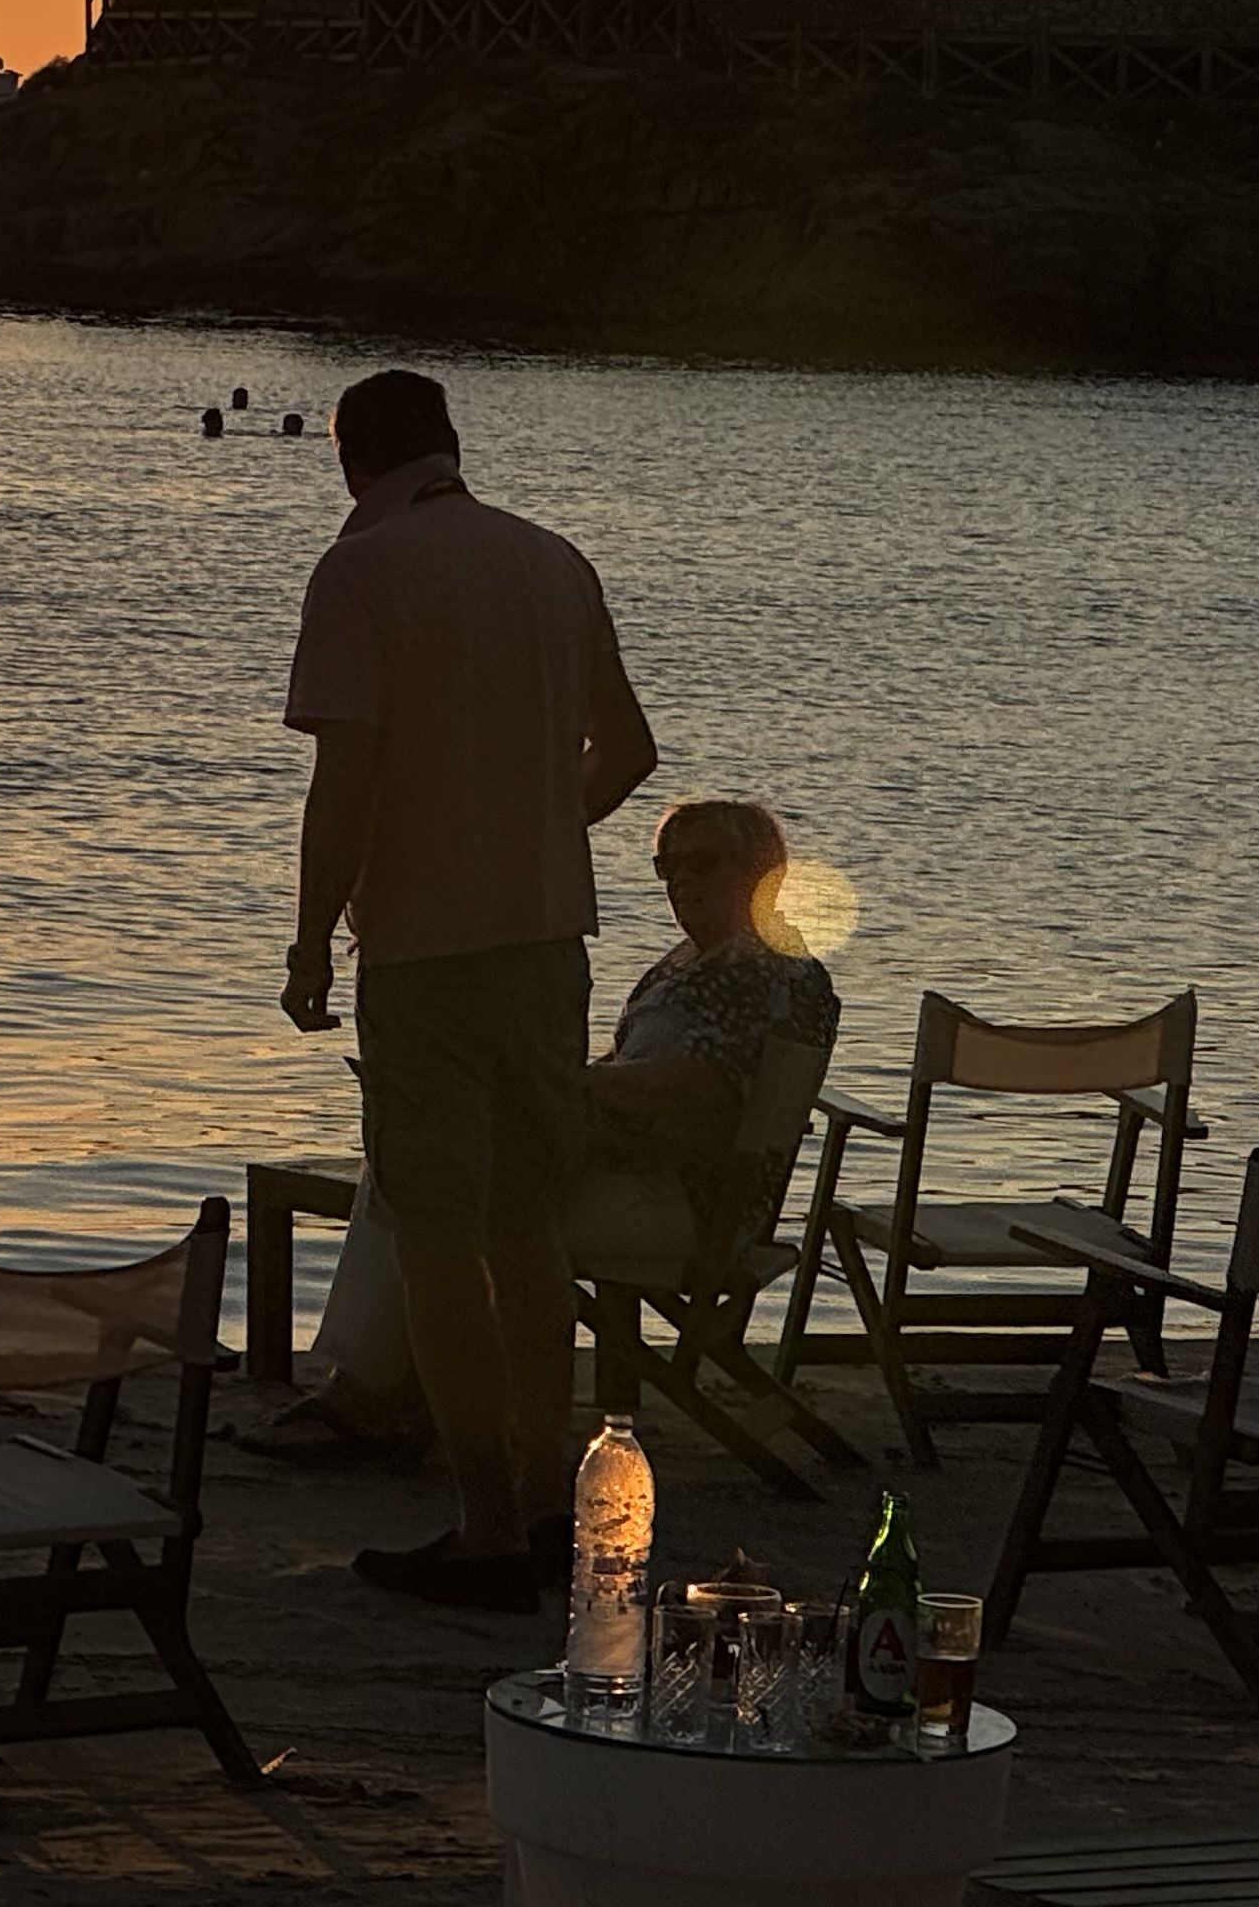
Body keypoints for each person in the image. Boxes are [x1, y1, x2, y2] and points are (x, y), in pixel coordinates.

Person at [280, 367, 654, 1610]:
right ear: (450, 445)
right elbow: (632, 750)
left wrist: (308, 940)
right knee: (529, 1234)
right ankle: (553, 1508)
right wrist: (543, 822)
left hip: (426, 954)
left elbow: (348, 782)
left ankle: (485, 1525)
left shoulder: (364, 572)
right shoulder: (556, 561)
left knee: (439, 1237)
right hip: (550, 943)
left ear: (352, 461)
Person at [250, 797, 838, 1471]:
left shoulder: (760, 973)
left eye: (702, 862)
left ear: (766, 869)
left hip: (687, 1202)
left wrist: (560, 1088)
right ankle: (380, 1389)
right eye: (666, 866)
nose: (681, 880)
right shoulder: (705, 964)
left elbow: (701, 1090)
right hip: (645, 1174)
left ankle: (372, 1394)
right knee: (429, 1160)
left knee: (437, 1183)